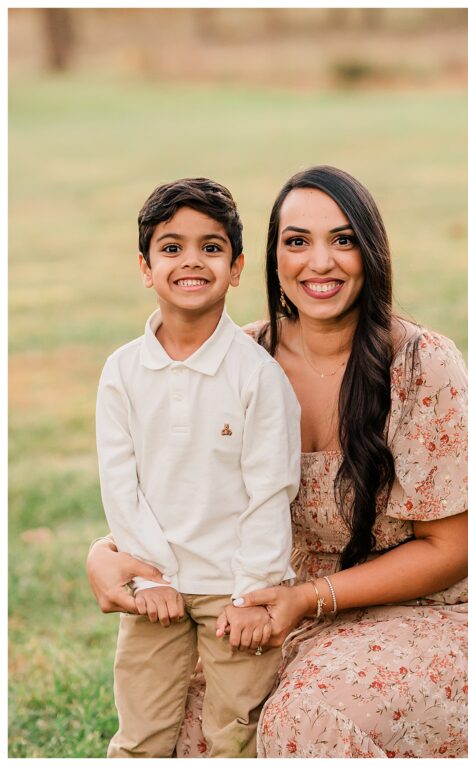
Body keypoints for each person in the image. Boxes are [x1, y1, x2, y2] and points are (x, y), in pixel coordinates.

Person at [88, 166, 468, 758]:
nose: (320, 262)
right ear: (267, 259)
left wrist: (309, 599)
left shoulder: (420, 364)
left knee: (304, 725)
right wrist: (105, 553)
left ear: (372, 252)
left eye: (343, 240)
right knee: (181, 736)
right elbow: (181, 483)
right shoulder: (239, 359)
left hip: (414, 607)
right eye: (296, 241)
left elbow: (454, 547)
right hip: (259, 599)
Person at [96, 178, 300, 757]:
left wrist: (252, 590)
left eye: (211, 248)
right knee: (143, 733)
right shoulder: (122, 372)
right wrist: (148, 575)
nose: (191, 261)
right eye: (171, 247)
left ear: (236, 268)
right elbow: (120, 482)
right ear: (145, 266)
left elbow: (271, 490)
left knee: (233, 734)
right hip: (153, 591)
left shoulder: (257, 375)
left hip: (232, 593)